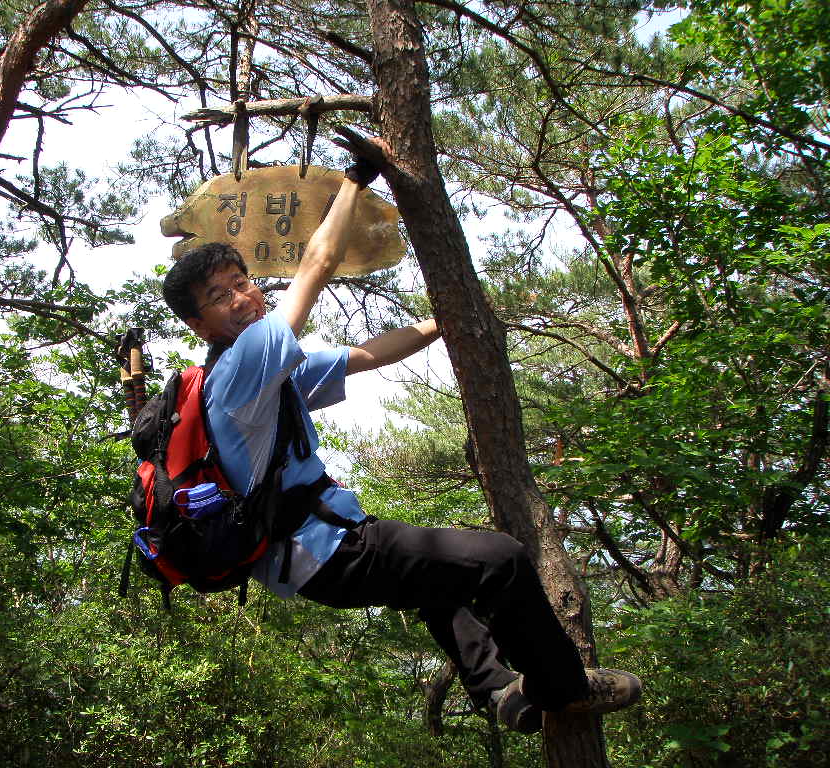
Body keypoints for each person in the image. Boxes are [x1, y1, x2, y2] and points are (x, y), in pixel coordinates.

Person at [160, 153, 641, 733]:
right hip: (327, 553)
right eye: (219, 296)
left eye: (242, 283)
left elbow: (367, 355)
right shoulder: (241, 369)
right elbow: (319, 262)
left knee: (440, 586)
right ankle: (564, 689)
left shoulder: (268, 378)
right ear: (200, 325)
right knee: (502, 561)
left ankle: (498, 693)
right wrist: (355, 181)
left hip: (322, 548)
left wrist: (447, 318)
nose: (240, 298)